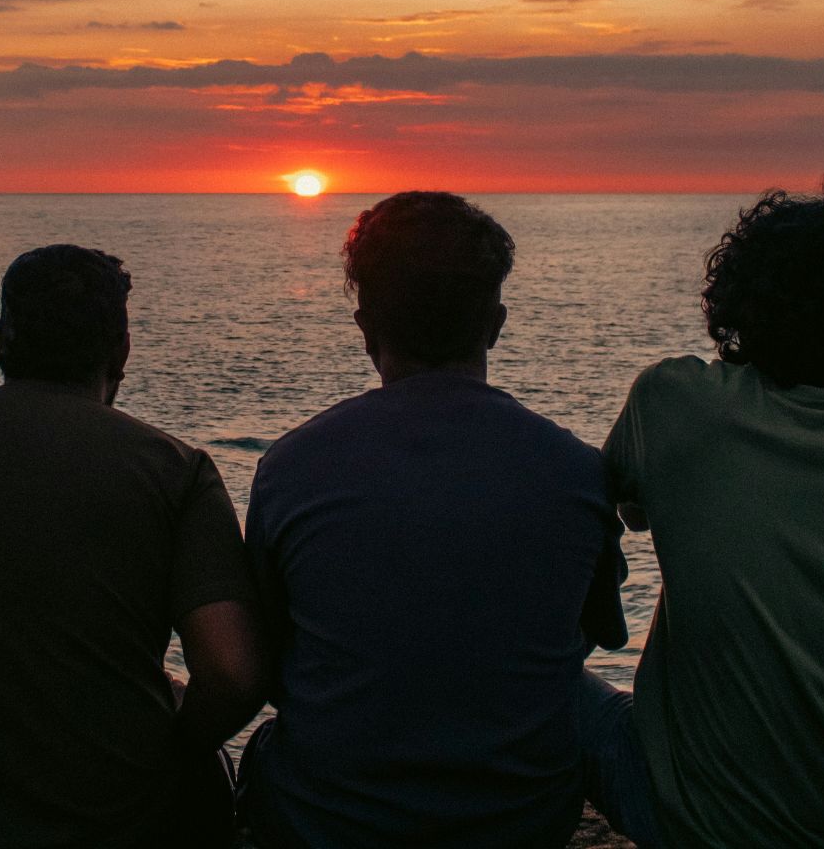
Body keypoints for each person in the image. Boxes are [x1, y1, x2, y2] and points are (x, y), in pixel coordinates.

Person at [239, 191, 629, 848]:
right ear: (496, 323)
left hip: (328, 825)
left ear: (366, 327)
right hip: (520, 823)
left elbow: (269, 664)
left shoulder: (293, 468)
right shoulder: (574, 470)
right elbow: (600, 633)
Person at [0, 244, 265, 848]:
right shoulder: (174, 471)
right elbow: (231, 674)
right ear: (121, 351)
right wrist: (168, 745)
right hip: (104, 826)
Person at [602, 184, 824, 847]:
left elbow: (627, 509)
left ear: (743, 299)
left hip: (711, 825)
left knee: (557, 694)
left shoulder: (675, 401)